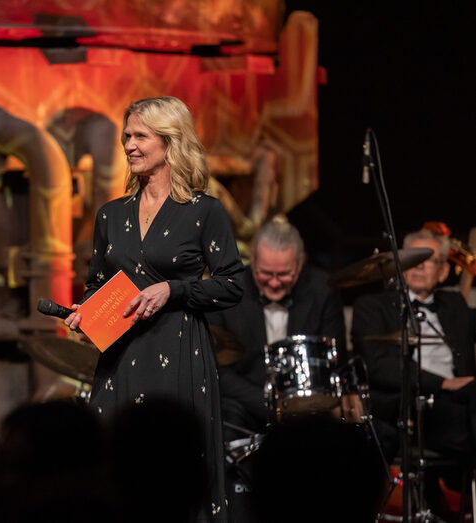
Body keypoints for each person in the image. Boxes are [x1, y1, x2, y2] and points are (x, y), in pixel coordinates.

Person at [65, 96, 245, 522]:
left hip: (179, 351)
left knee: (173, 471)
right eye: (126, 135)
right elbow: (97, 284)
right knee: (114, 469)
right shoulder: (111, 215)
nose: (129, 145)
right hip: (120, 358)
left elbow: (233, 284)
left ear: (170, 142)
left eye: (140, 136)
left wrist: (174, 290)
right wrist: (86, 314)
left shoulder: (203, 211)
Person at [207, 218, 346, 439]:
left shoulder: (323, 290)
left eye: (283, 274)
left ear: (300, 264)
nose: (274, 283)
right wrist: (269, 404)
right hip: (245, 402)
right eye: (265, 273)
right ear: (251, 260)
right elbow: (217, 370)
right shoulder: (226, 290)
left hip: (306, 405)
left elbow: (334, 362)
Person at [352, 228, 476, 457]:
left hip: (463, 400)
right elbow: (379, 367)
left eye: (427, 259)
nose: (418, 265)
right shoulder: (372, 307)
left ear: (443, 270)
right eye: (412, 258)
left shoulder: (454, 304)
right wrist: (443, 383)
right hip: (408, 406)